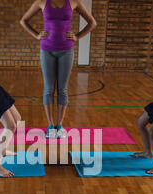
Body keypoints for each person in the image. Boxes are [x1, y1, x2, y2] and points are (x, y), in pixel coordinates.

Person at [20, 0, 97, 138]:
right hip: (47, 50)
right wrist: (36, 35)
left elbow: (92, 22)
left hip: (66, 51)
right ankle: (50, 126)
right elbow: (24, 20)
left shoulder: (73, 2)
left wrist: (77, 36)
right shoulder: (42, 2)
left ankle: (60, 125)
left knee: (63, 89)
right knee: (49, 88)